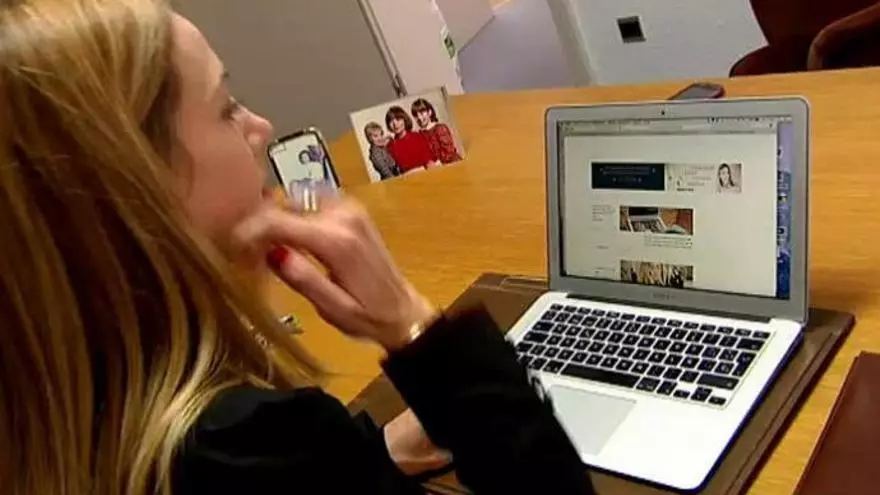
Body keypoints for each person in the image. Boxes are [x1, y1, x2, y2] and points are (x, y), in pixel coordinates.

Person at [0, 1, 594, 494]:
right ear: (135, 184)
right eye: (226, 108)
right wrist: (409, 322)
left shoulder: (53, 410)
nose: (260, 126)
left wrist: (369, 458)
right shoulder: (252, 444)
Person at [385, 106, 437, 173]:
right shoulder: (390, 146)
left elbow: (429, 161)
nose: (395, 124)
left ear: (404, 119)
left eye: (398, 119)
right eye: (391, 121)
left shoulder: (417, 136)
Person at [411, 98, 462, 164]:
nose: (419, 118)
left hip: (452, 164)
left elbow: (449, 151)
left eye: (422, 113)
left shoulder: (440, 128)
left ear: (429, 112)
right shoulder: (420, 134)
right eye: (416, 115)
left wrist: (438, 163)